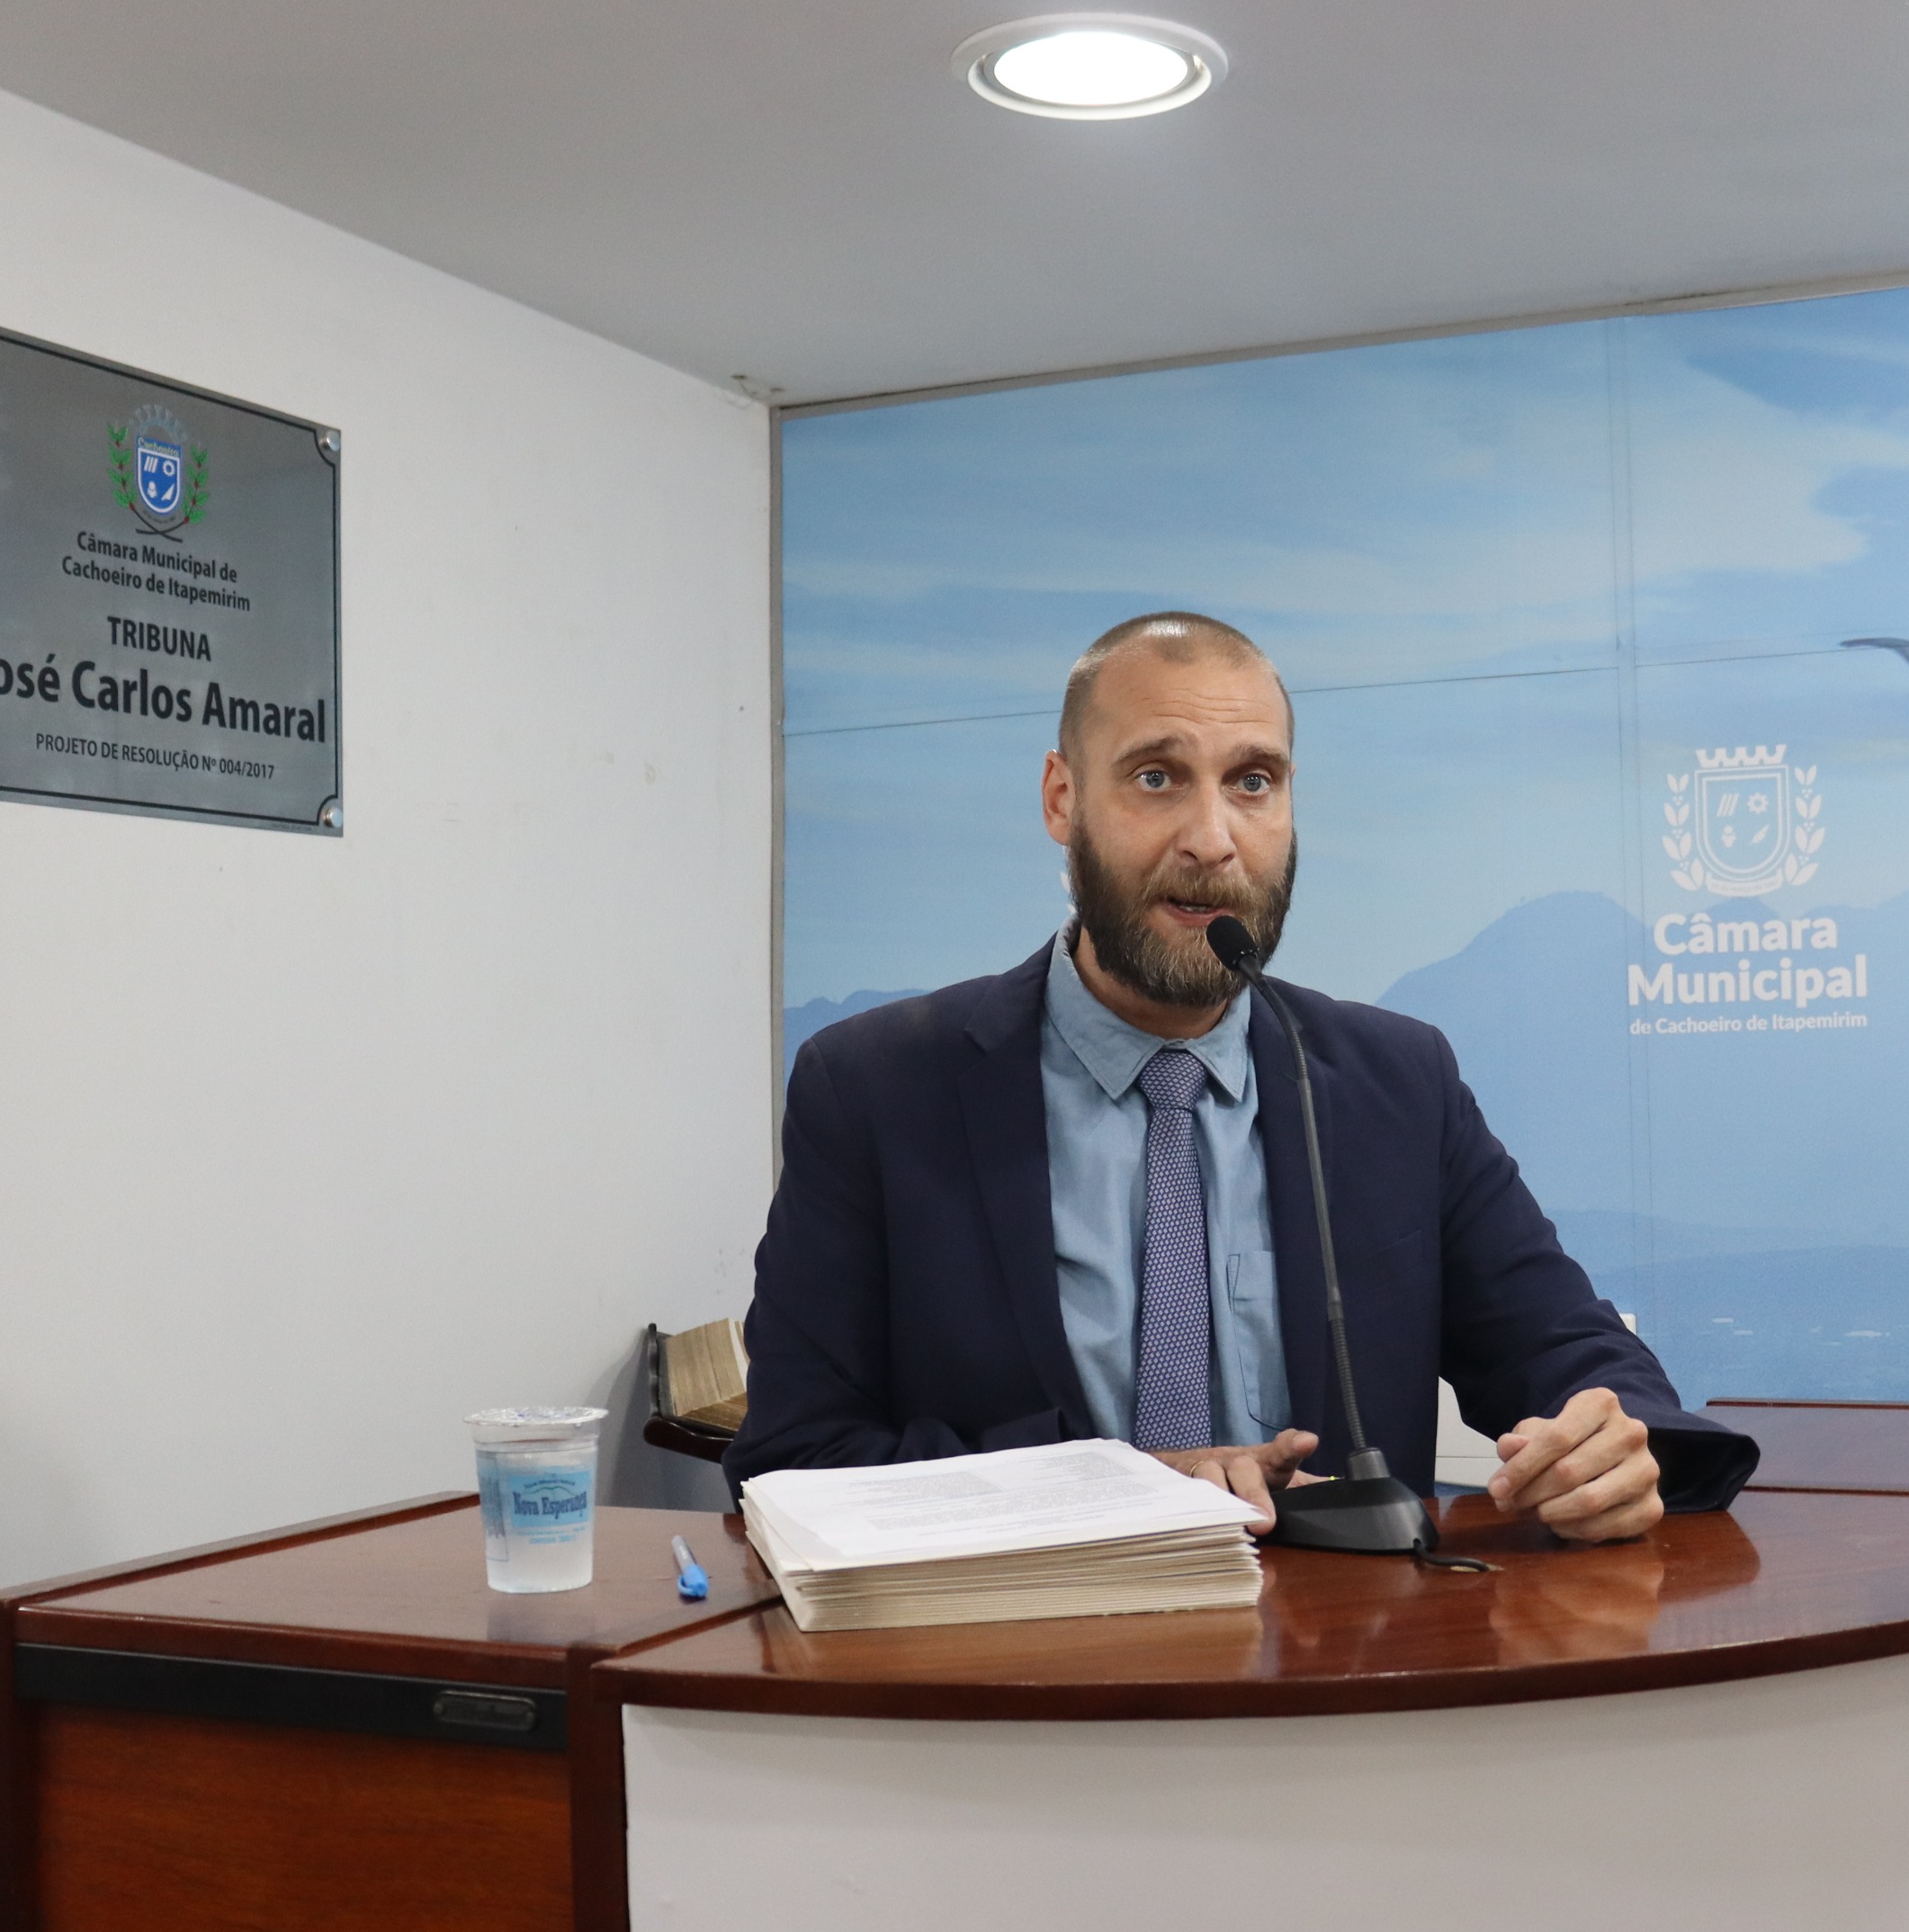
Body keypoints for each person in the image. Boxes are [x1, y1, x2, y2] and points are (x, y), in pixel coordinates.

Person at [731, 612, 1754, 1539]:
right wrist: (1120, 1488)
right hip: (1022, 1657)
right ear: (1061, 798)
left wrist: (1613, 1444)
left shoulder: (1397, 1082)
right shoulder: (874, 1089)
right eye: (1156, 777)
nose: (1212, 840)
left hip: (1347, 1657)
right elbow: (795, 1456)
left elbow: (1574, 1355)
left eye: (1252, 782)